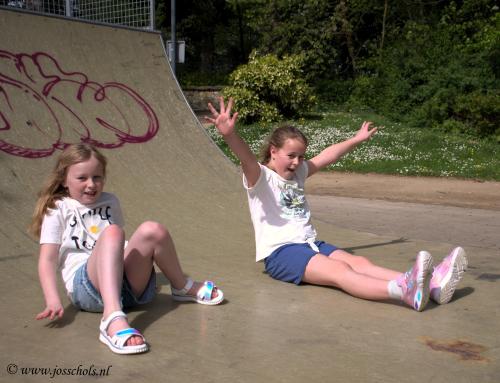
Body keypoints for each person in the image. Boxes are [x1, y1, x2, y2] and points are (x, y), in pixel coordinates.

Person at [207, 97, 467, 312]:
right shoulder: (261, 178)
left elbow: (327, 156)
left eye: (301, 156)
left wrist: (356, 139)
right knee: (340, 271)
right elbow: (246, 159)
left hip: (310, 244)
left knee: (361, 262)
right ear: (273, 151)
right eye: (291, 156)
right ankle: (403, 292)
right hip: (281, 253)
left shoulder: (297, 173)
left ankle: (431, 285)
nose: (297, 162)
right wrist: (230, 135)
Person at [30, 144, 224, 355]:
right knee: (112, 232)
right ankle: (111, 318)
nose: (91, 184)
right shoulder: (58, 208)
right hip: (87, 290)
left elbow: (119, 249)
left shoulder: (110, 201)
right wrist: (52, 298)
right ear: (64, 180)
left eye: (97, 177)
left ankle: (182, 287)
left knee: (153, 229)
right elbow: (47, 259)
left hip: (127, 288)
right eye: (82, 178)